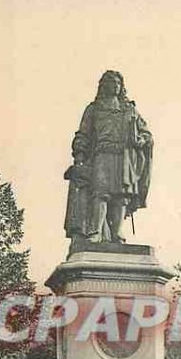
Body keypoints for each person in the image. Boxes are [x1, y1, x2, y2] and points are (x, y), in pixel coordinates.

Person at [64, 70, 153, 244]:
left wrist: (141, 139)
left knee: (121, 196)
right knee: (101, 193)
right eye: (110, 82)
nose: (115, 85)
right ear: (103, 85)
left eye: (118, 83)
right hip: (102, 156)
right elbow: (83, 134)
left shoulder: (130, 109)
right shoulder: (94, 109)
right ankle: (96, 231)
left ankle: (117, 233)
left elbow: (146, 133)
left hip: (125, 158)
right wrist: (80, 154)